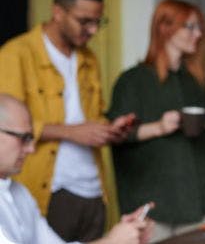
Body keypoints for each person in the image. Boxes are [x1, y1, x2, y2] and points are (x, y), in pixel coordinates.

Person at [0, 0, 136, 242]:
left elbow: (91, 117)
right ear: (58, 12)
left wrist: (108, 131)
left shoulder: (89, 59)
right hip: (50, 189)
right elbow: (9, 122)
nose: (93, 30)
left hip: (93, 189)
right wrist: (72, 132)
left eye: (98, 22)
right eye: (85, 21)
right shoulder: (16, 55)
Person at [108, 0, 205, 242]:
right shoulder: (133, 81)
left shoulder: (196, 81)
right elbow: (115, 134)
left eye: (199, 27)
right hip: (154, 209)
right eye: (190, 27)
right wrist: (159, 127)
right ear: (165, 28)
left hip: (198, 202)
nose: (198, 34)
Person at [0, 93, 153, 244]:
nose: (31, 149)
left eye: (31, 139)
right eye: (24, 138)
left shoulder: (21, 194)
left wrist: (123, 236)